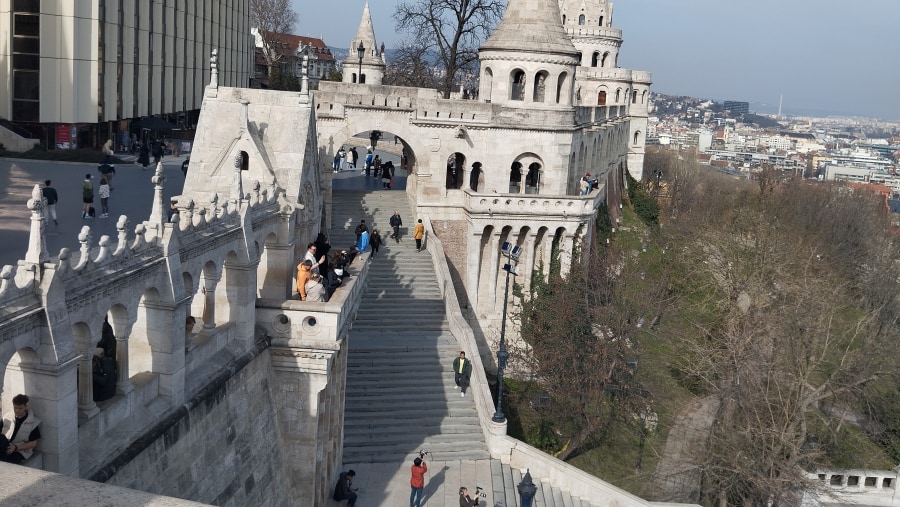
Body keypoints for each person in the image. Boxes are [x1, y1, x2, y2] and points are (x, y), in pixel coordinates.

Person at [1, 394, 41, 464]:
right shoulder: (7, 416)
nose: (17, 411)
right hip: (5, 444)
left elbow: (33, 443)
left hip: (19, 451)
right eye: (15, 408)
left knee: (8, 462)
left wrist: (15, 448)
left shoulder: (33, 422)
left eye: (20, 408)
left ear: (26, 407)